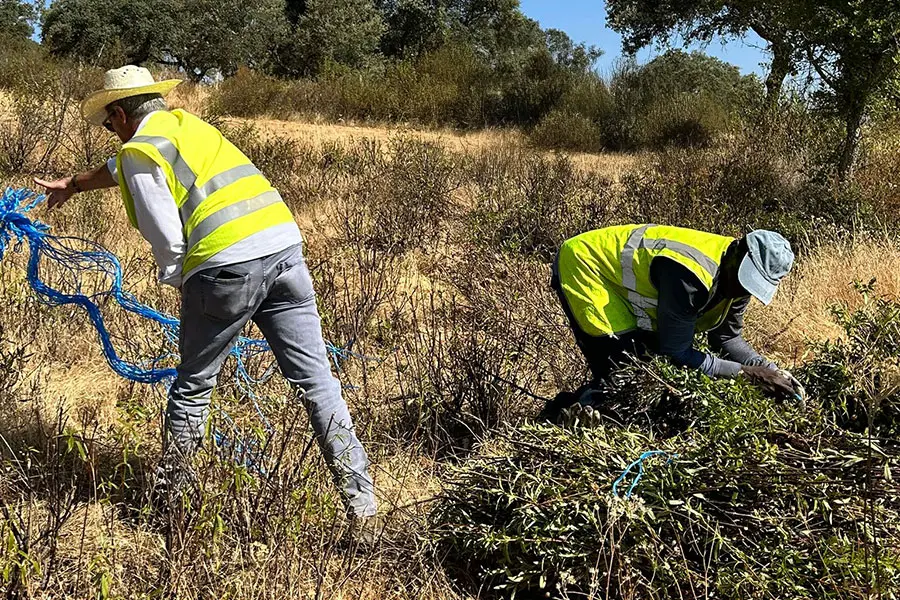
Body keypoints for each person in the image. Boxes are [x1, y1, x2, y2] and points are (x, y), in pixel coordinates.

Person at [34, 66, 377, 521]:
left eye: (107, 122)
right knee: (318, 384)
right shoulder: (187, 128)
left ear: (119, 113)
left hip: (224, 270)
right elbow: (121, 167)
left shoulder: (141, 148)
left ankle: (168, 509)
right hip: (285, 252)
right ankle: (364, 508)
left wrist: (183, 282)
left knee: (193, 387)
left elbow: (167, 238)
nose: (109, 132)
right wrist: (74, 184)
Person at [543, 223, 800, 422]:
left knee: (641, 369)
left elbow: (726, 338)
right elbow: (676, 353)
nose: (740, 290)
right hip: (587, 268)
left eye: (751, 285)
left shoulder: (738, 284)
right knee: (625, 374)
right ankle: (561, 418)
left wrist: (771, 370)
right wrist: (747, 374)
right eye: (744, 278)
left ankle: (581, 410)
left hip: (618, 283)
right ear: (737, 251)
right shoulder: (690, 276)